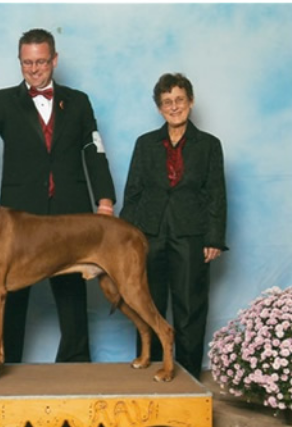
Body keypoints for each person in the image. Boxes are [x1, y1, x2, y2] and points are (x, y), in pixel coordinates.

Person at [0, 28, 116, 364]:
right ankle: (7, 367)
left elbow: (94, 151)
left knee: (72, 297)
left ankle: (76, 369)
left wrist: (104, 201)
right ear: (20, 62)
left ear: (55, 60)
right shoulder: (3, 101)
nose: (34, 69)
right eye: (27, 63)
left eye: (41, 62)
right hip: (19, 218)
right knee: (12, 298)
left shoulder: (78, 101)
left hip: (69, 214)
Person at [120, 73, 227, 379]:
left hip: (191, 235)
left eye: (179, 99)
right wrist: (124, 242)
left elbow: (216, 194)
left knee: (190, 308)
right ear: (159, 108)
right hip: (147, 235)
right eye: (167, 102)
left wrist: (214, 238)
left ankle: (190, 375)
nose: (174, 106)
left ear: (190, 102)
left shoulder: (209, 145)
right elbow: (133, 193)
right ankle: (150, 368)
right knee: (146, 305)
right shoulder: (145, 144)